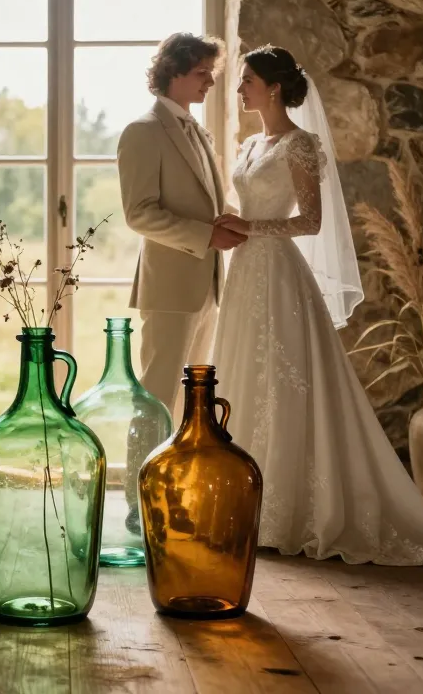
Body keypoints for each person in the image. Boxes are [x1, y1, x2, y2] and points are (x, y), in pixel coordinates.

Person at [212, 44, 423, 565]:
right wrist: (227, 221)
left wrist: (249, 227)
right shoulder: (254, 143)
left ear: (274, 88)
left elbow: (311, 221)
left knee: (284, 381)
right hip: (245, 274)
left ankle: (287, 510)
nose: (239, 89)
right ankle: (242, 502)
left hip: (279, 272)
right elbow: (251, 204)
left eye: (248, 81)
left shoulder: (300, 146)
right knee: (245, 376)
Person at [117, 32, 244, 531]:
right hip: (170, 287)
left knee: (191, 402)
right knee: (155, 395)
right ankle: (135, 503)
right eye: (202, 73)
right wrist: (206, 235)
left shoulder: (196, 129)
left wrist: (231, 222)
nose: (211, 82)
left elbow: (207, 205)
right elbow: (139, 213)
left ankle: (173, 492)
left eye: (211, 73)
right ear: (173, 71)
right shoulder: (142, 131)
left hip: (207, 283)